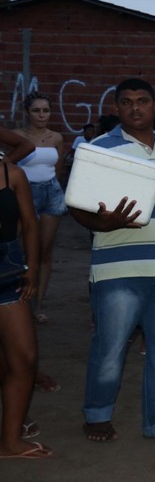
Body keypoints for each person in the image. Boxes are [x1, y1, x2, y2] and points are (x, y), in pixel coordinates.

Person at [71, 78, 155, 444]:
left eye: (143, 100)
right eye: (127, 102)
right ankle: (97, 414)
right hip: (119, 269)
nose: (136, 108)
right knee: (110, 346)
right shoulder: (100, 149)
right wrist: (103, 223)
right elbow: (78, 206)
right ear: (116, 108)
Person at [0, 159, 51, 459]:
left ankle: (10, 442)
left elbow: (30, 223)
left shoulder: (12, 173)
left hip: (8, 274)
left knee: (24, 357)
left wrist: (31, 269)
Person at [16, 92, 67, 326]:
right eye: (37, 110)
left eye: (46, 110)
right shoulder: (17, 136)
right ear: (27, 111)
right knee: (25, 250)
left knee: (45, 251)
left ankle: (39, 305)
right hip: (25, 193)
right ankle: (20, 301)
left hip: (52, 193)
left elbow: (58, 168)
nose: (42, 115)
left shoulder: (56, 137)